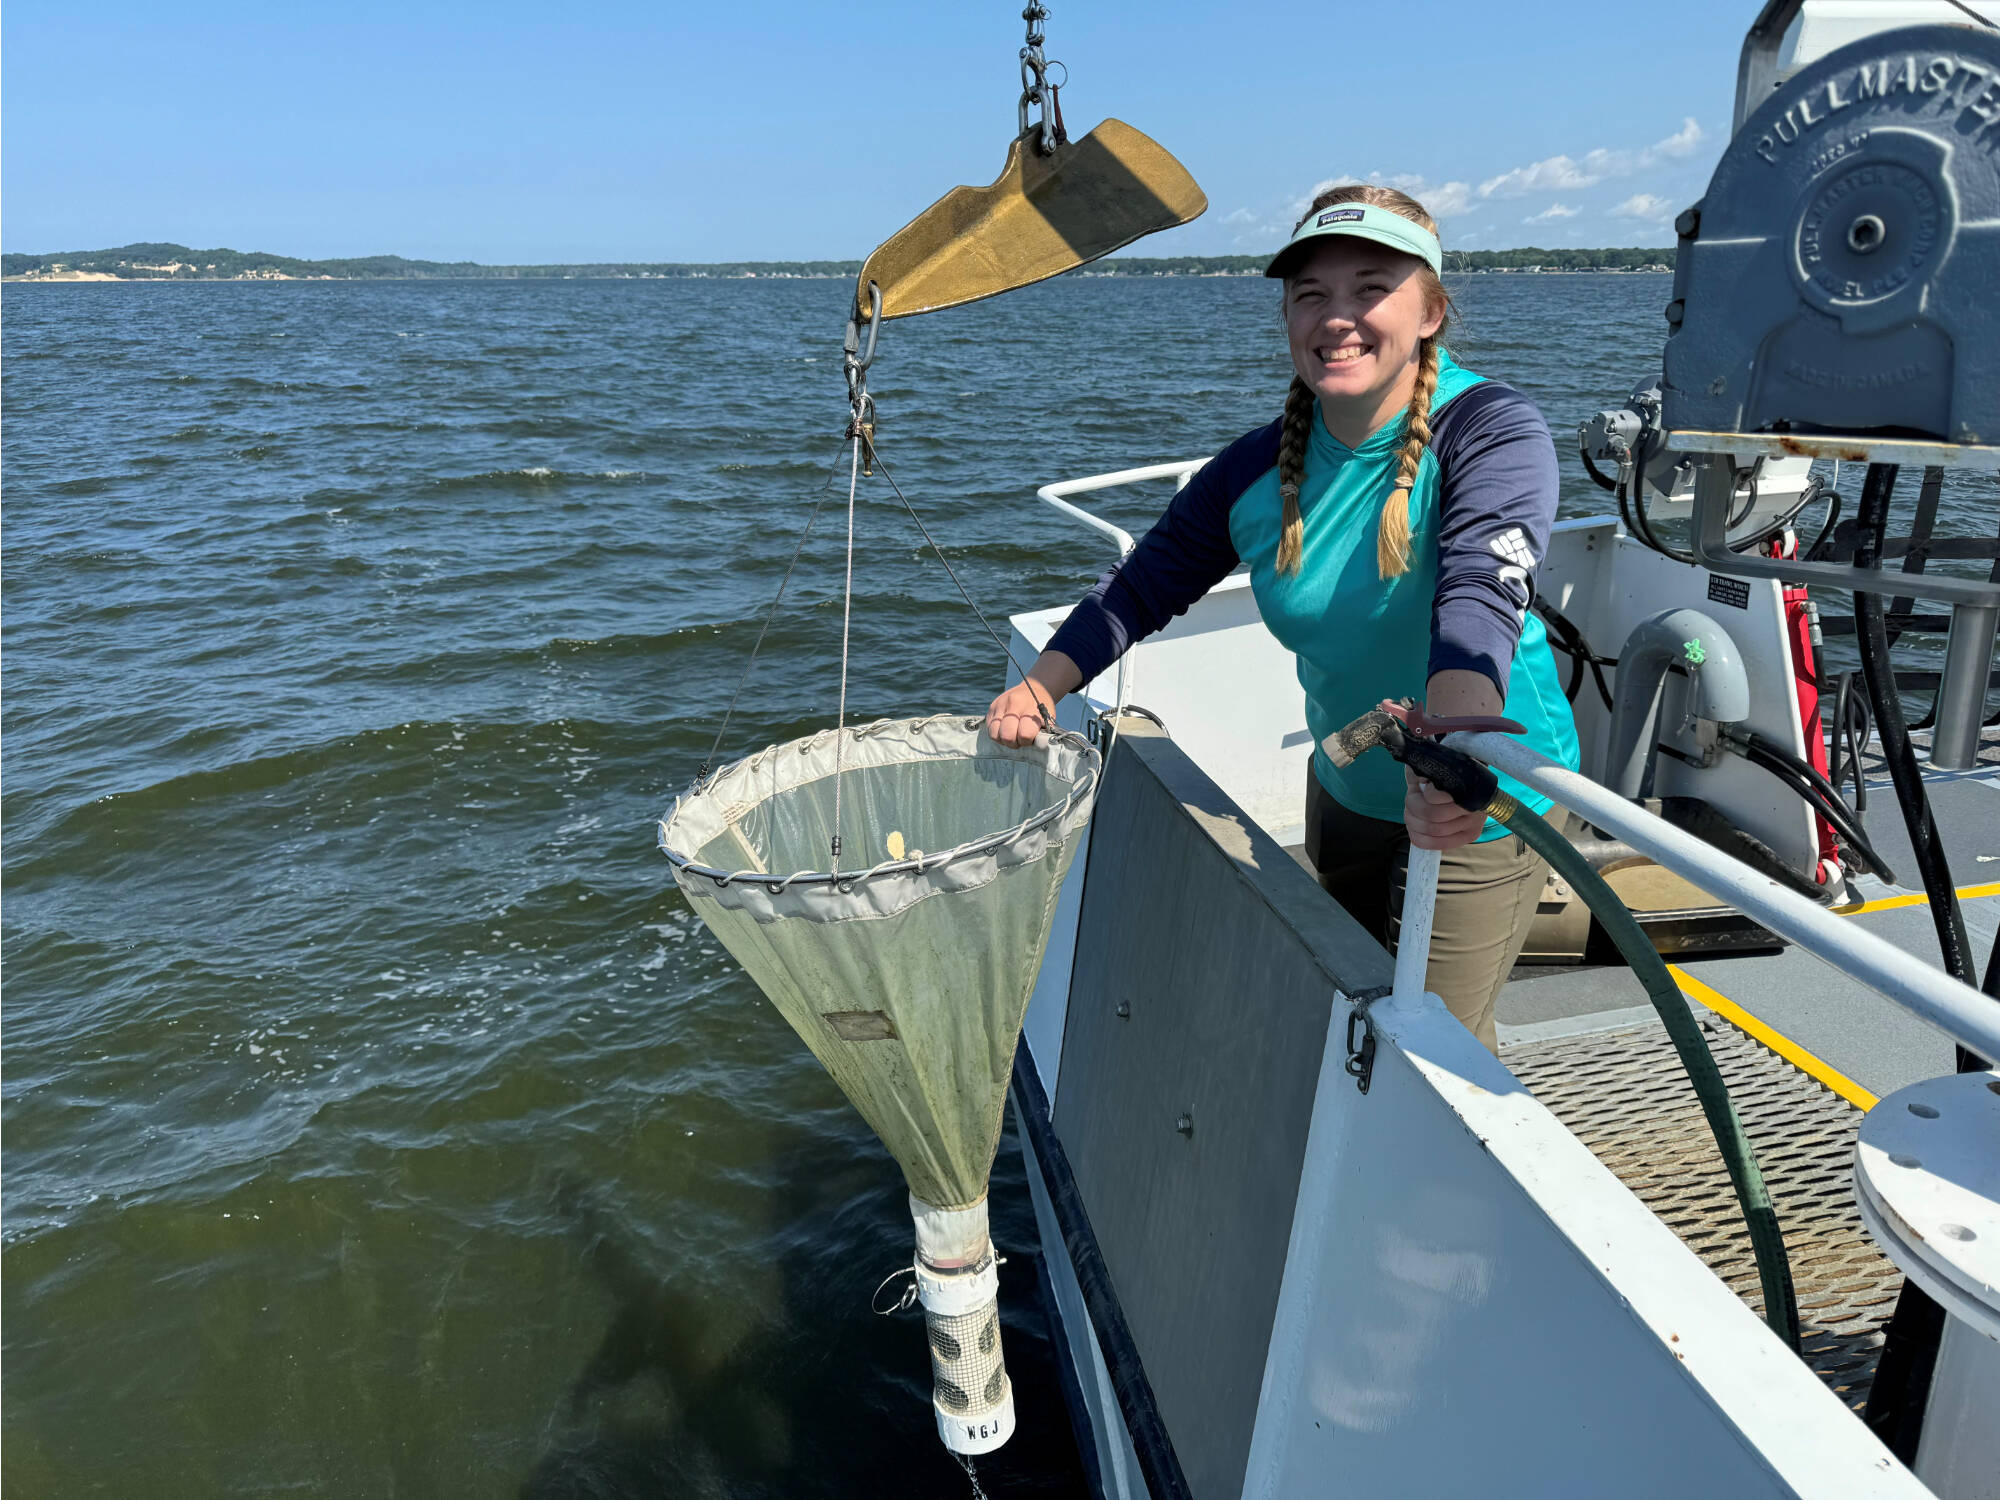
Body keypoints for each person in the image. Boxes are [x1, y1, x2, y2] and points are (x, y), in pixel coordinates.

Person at [985, 183, 1581, 1053]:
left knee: (1435, 1053)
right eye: (1311, 295)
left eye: (1371, 287)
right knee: (1344, 997)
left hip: (1479, 795)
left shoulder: (1491, 431)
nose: (1337, 316)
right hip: (1345, 782)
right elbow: (1141, 587)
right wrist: (1040, 687)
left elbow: (1481, 595)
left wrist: (1453, 754)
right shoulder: (1258, 467)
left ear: (1431, 312)